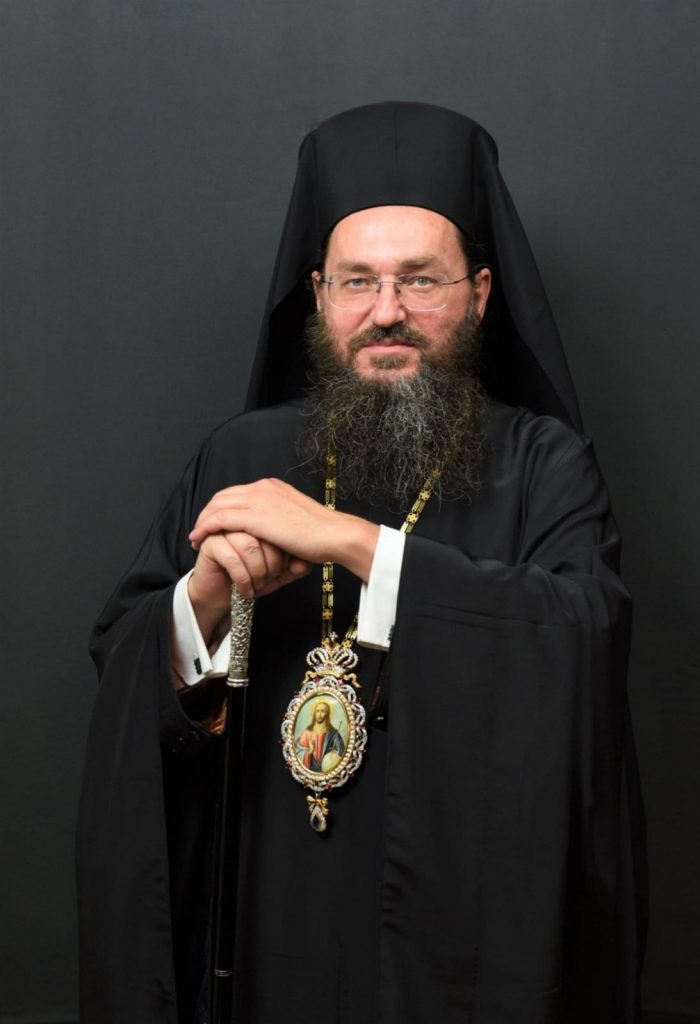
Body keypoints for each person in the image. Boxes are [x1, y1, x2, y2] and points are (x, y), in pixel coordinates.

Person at [77, 102, 647, 1024]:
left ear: (481, 293)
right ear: (318, 295)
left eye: (421, 280)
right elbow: (124, 658)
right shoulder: (238, 455)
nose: (388, 313)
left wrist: (352, 543)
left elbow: (583, 637)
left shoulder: (545, 462)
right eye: (357, 282)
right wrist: (204, 600)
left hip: (459, 930)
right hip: (267, 916)